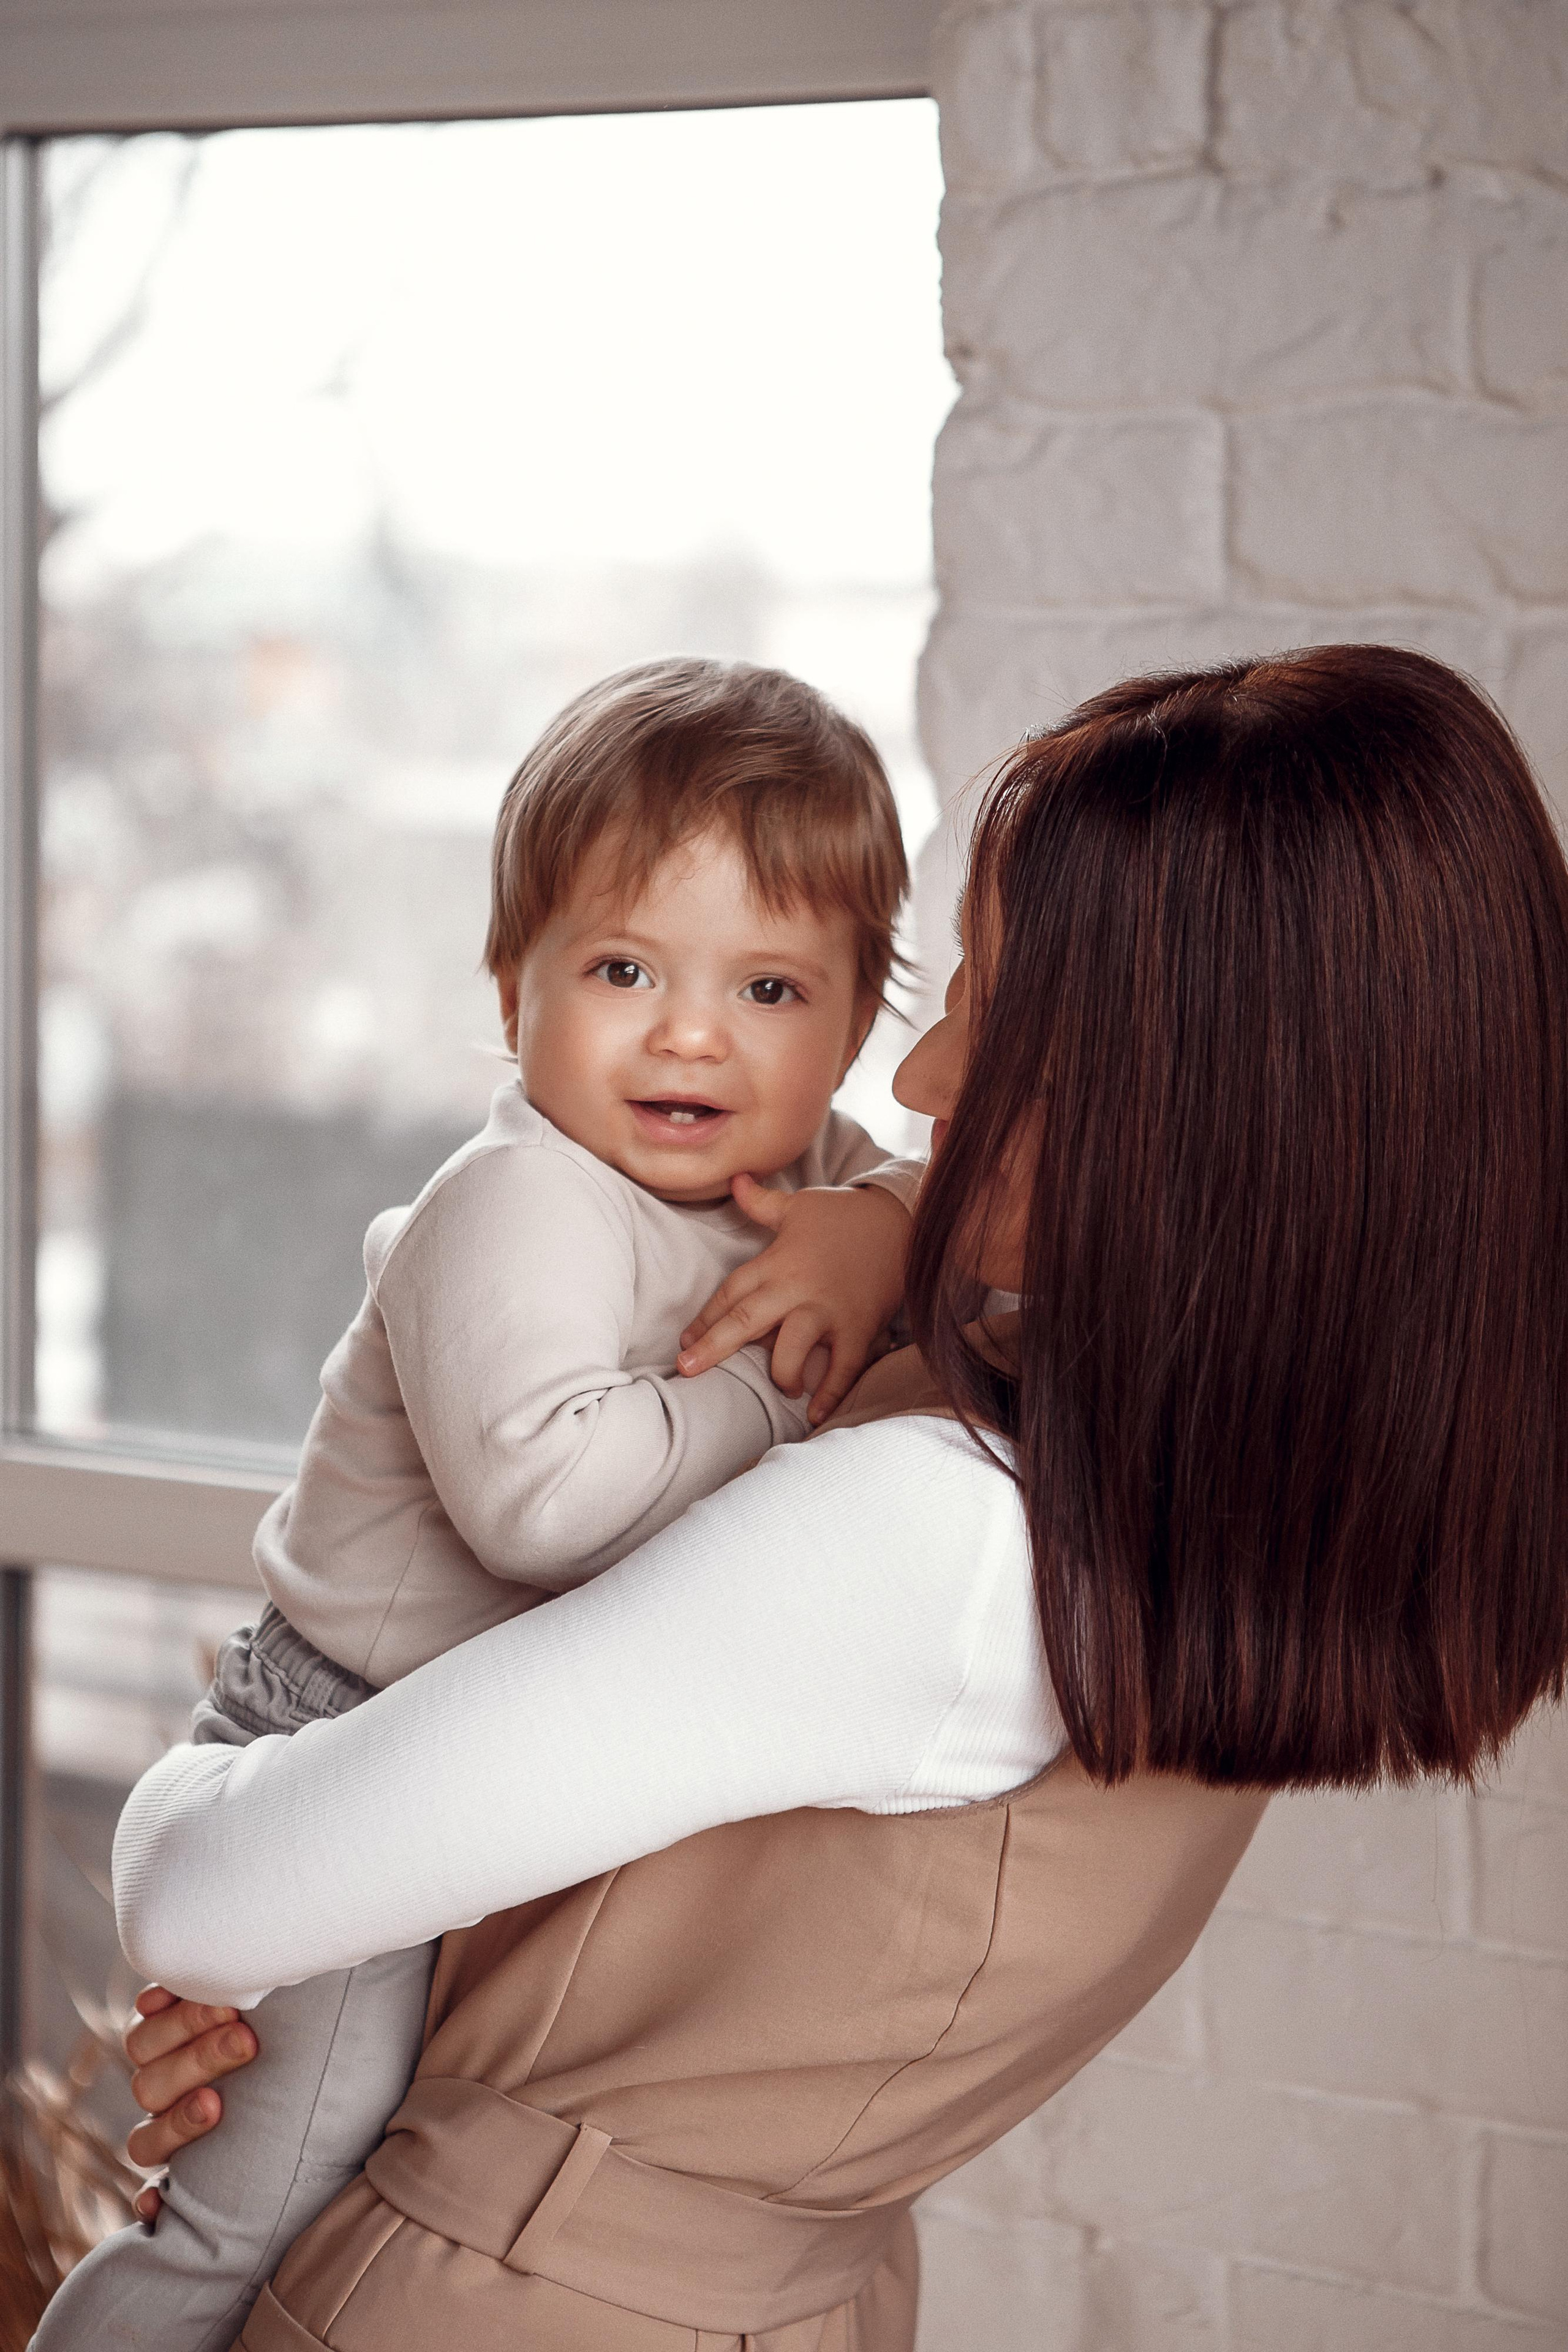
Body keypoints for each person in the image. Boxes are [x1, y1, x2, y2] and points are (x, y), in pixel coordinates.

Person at [100, 649, 1568, 2350]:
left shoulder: (931, 1545)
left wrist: (190, 1816)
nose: (923, 1084)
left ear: (1196, 1117)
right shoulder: (1220, 1503)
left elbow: (205, 1898)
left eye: (987, 1021)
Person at [32, 657, 924, 2352]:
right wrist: (777, 1383)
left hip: (503, 1764)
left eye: (770, 989)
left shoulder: (810, 1184)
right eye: (620, 968)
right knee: (255, 2199)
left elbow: (920, 1202)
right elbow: (549, 1507)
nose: (690, 1032)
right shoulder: (518, 1201)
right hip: (343, 1745)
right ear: (511, 989)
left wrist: (878, 1233)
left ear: (858, 1014)